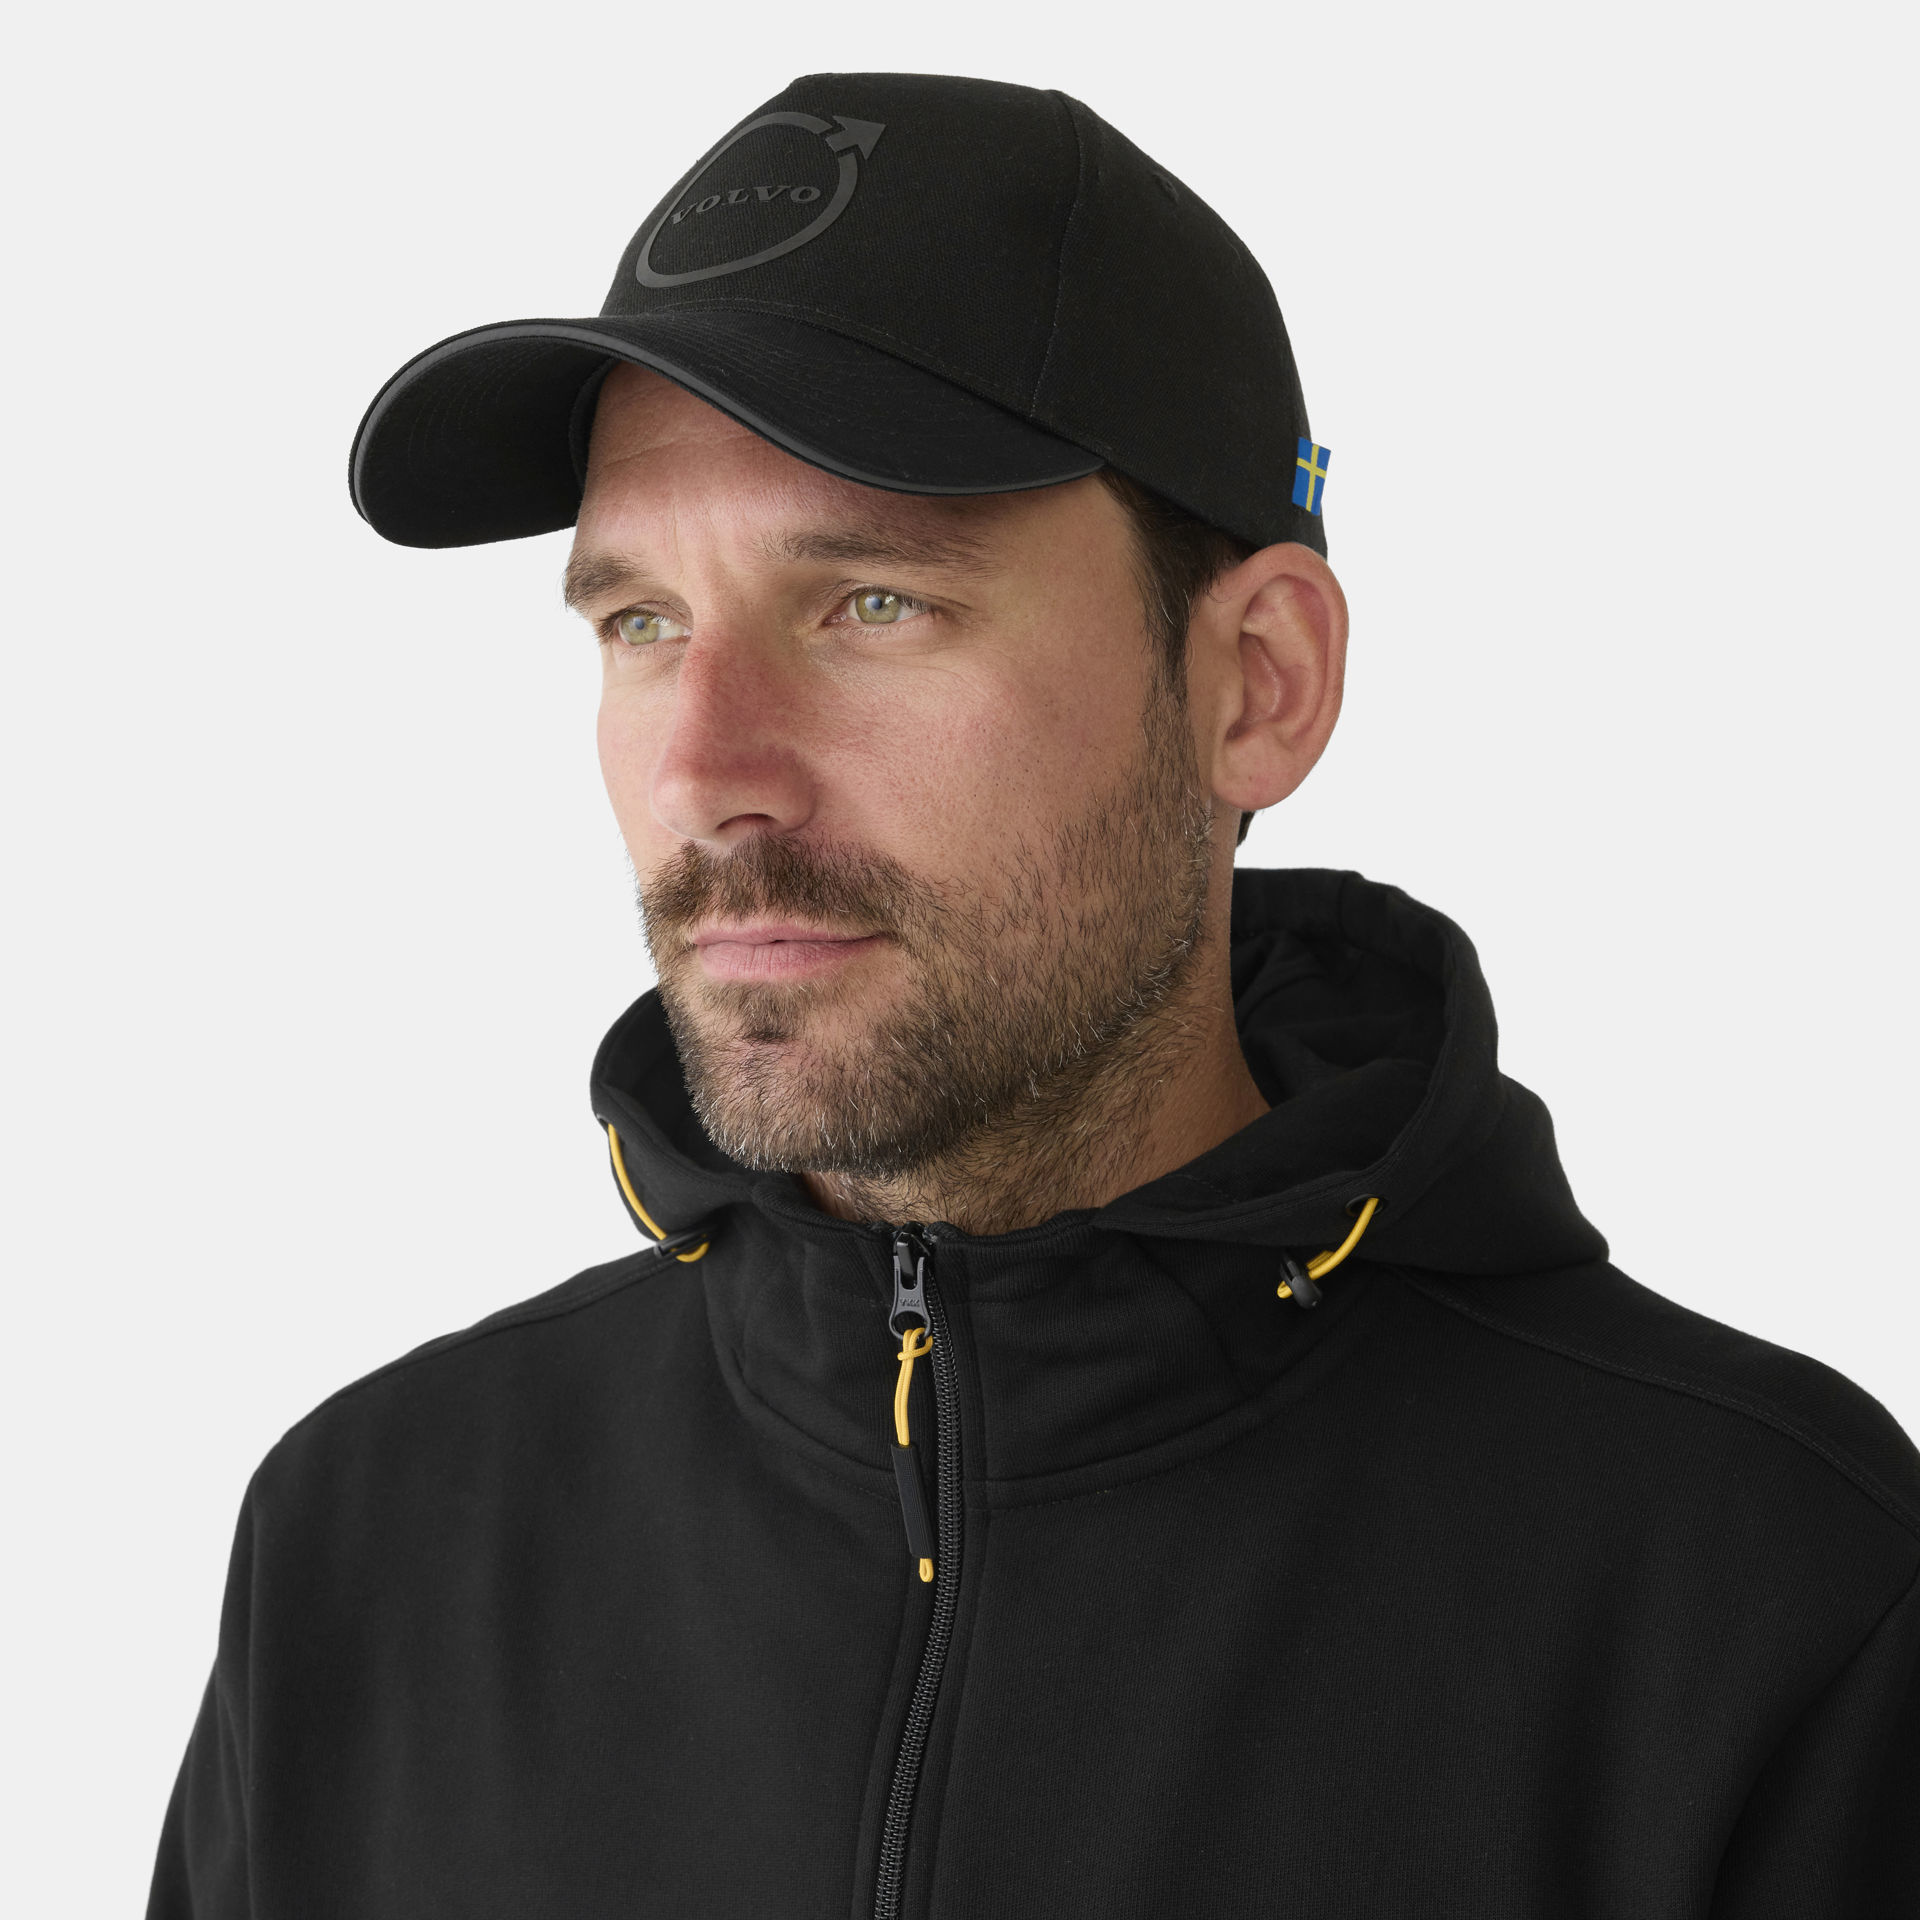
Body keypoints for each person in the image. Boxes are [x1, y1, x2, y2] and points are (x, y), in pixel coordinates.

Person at [149, 72, 1919, 1918]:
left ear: (1258, 685)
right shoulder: (366, 1549)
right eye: (642, 623)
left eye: (873, 604)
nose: (703, 770)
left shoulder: (1763, 1604)